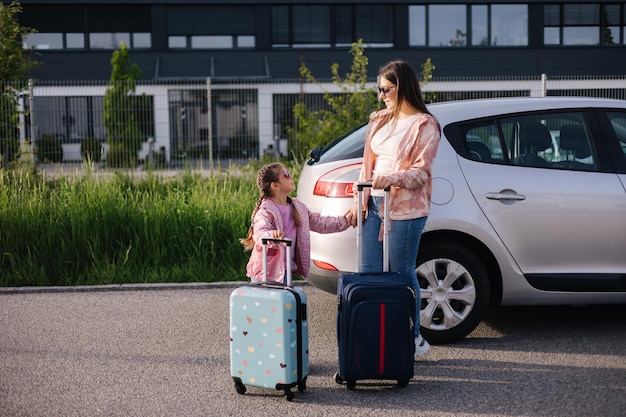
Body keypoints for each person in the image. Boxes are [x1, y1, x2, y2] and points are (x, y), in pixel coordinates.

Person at [345, 59, 441, 359]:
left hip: (405, 209)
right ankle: (375, 337)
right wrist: (357, 201)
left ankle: (411, 338)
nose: (381, 95)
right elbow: (366, 167)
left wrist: (393, 178)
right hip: (373, 203)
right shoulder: (380, 120)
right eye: (379, 89)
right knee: (368, 273)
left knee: (401, 274)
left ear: (402, 87)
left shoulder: (425, 125)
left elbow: (421, 172)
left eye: (385, 89)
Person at [241, 162, 350, 284]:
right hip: (265, 271)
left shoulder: (297, 207)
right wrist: (271, 235)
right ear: (275, 186)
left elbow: (320, 222)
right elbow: (260, 232)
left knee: (284, 301)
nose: (291, 177)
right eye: (286, 174)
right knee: (270, 302)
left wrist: (346, 220)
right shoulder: (266, 210)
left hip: (285, 268)